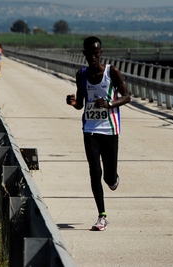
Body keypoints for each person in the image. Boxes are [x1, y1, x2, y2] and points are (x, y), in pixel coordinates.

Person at [66, 36, 131, 231]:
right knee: (95, 171)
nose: (93, 57)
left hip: (110, 130)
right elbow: (81, 105)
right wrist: (73, 101)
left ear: (100, 53)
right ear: (84, 54)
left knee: (108, 178)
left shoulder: (112, 72)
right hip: (90, 129)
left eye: (96, 53)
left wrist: (110, 103)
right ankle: (102, 216)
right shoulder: (82, 74)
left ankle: (113, 179)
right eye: (90, 54)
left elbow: (127, 97)